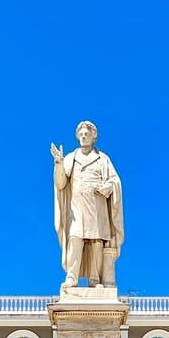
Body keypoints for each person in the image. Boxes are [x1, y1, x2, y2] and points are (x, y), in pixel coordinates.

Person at [51, 121, 124, 289]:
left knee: (96, 241)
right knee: (75, 238)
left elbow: (115, 180)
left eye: (87, 134)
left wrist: (108, 187)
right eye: (81, 134)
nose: (84, 136)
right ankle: (72, 277)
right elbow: (61, 184)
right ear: (78, 137)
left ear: (94, 137)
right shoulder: (71, 158)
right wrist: (59, 164)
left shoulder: (103, 159)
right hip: (76, 208)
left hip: (97, 207)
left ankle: (95, 279)